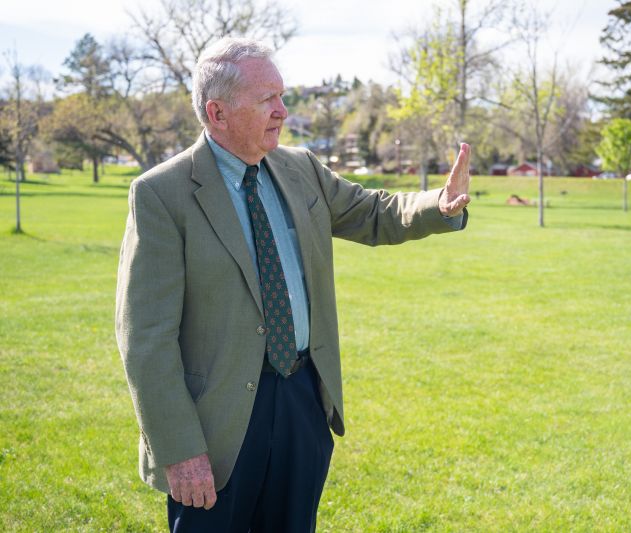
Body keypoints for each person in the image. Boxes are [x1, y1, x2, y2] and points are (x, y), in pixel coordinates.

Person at [115, 37, 470, 532]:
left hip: (303, 399)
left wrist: (439, 205)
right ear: (217, 113)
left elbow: (373, 212)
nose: (283, 111)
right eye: (267, 100)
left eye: (282, 97)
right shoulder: (161, 194)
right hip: (217, 423)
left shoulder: (299, 168)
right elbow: (145, 339)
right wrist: (179, 449)